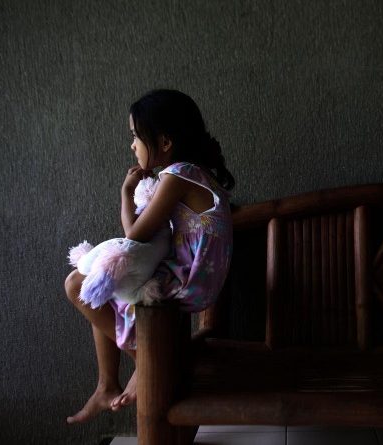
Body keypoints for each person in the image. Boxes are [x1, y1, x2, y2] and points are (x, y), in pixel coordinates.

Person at [64, 89, 234, 424]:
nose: (132, 146)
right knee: (100, 285)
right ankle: (107, 385)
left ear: (165, 141)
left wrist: (126, 192)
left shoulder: (177, 176)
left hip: (185, 281)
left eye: (135, 136)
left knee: (76, 284)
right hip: (197, 278)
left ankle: (146, 361)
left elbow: (134, 235)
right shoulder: (194, 173)